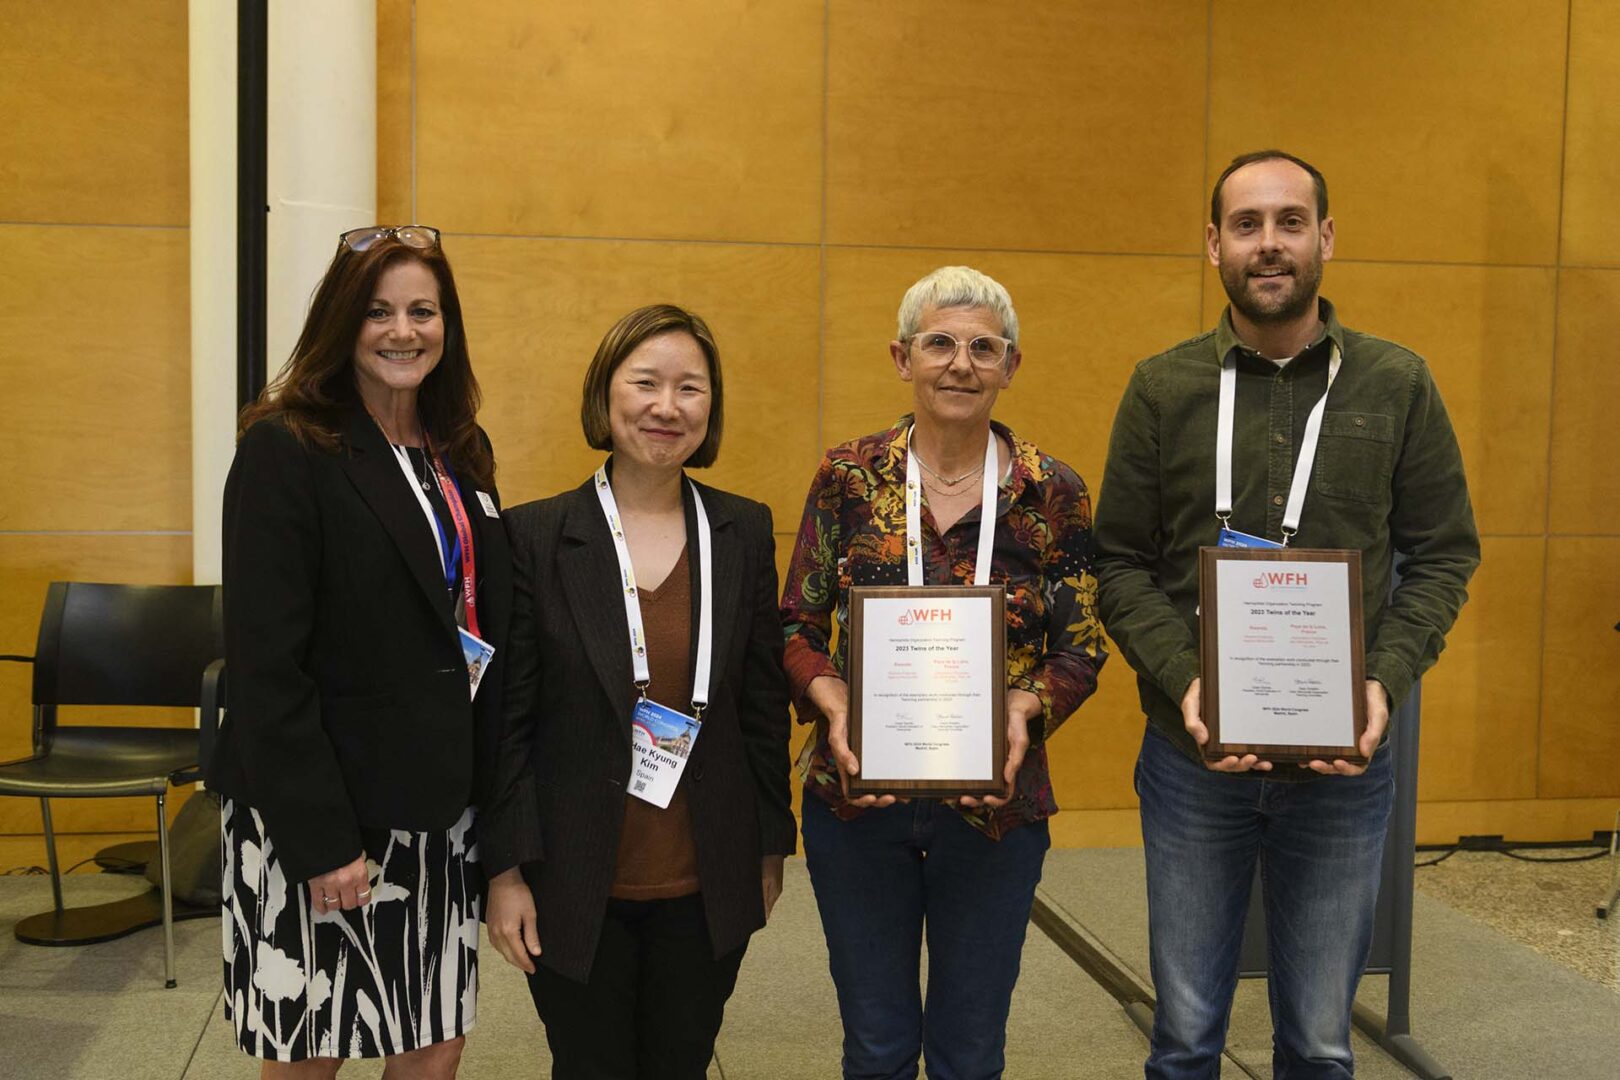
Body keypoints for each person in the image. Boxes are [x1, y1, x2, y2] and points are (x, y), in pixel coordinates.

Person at [1093, 150, 1480, 1078]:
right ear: (1214, 244)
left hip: (1345, 765)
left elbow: (1443, 553)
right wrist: (1188, 685)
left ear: (1326, 238)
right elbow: (1117, 563)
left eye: (1290, 222)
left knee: (1319, 1041)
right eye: (1247, 224)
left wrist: (1383, 683)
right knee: (1185, 1039)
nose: (1269, 245)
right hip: (1192, 762)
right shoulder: (1161, 387)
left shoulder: (1398, 384)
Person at [780, 266, 1107, 1079]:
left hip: (995, 806)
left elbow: (1085, 643)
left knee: (969, 1052)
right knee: (879, 1046)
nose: (961, 363)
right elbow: (796, 624)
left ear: (1009, 365)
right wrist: (835, 703)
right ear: (902, 357)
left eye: (982, 348)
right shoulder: (848, 477)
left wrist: (1024, 709)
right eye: (939, 344)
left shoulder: (1053, 491)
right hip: (858, 802)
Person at [211, 225, 511, 1077]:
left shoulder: (462, 454)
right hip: (327, 819)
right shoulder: (287, 449)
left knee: (433, 1042)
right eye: (378, 311)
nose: (402, 330)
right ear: (343, 322)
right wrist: (321, 839)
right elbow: (266, 667)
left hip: (439, 816)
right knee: (314, 1048)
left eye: (423, 310)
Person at [482, 304, 795, 1078]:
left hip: (707, 870)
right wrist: (504, 869)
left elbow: (761, 705)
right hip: (571, 876)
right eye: (646, 382)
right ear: (605, 395)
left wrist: (768, 841)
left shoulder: (743, 532)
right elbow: (507, 721)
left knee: (680, 1062)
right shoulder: (535, 537)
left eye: (690, 388)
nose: (667, 406)